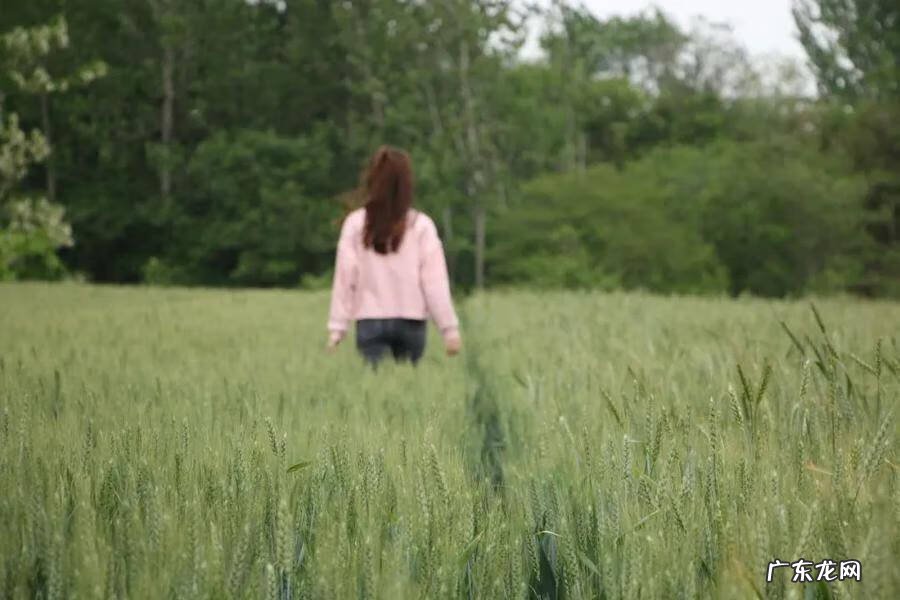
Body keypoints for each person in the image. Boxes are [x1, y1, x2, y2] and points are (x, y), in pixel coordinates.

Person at [326, 146, 462, 365]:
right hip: (412, 322)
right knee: (407, 391)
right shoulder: (422, 225)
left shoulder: (355, 223)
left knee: (375, 393)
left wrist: (337, 328)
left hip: (369, 321)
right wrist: (449, 330)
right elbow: (434, 283)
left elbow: (345, 279)